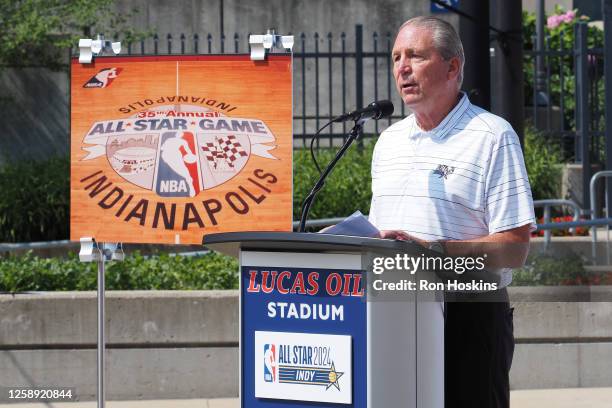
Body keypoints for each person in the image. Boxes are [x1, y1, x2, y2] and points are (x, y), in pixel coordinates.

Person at [368, 16, 535, 408]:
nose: (402, 68)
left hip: (467, 315)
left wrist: (439, 250)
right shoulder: (388, 142)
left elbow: (515, 247)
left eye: (415, 56)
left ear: (452, 66)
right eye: (396, 58)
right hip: (392, 316)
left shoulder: (492, 136)